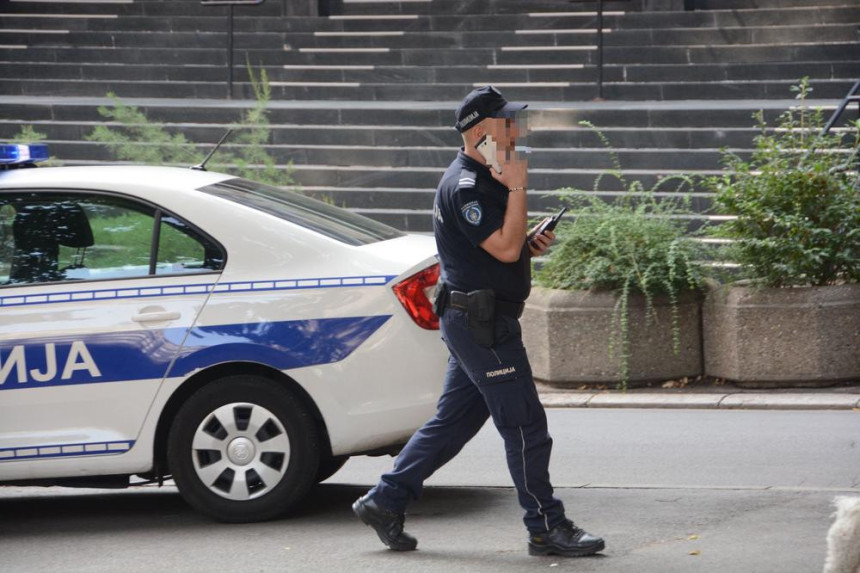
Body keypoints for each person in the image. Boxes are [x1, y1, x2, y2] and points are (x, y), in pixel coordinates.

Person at [352, 85, 605, 558]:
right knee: (526, 426)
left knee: (452, 423)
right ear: (479, 132)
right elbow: (503, 249)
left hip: (476, 318)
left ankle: (385, 501)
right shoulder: (466, 184)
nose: (516, 131)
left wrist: (526, 242)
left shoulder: (483, 177)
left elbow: (502, 247)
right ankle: (546, 526)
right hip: (481, 326)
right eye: (506, 123)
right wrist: (518, 188)